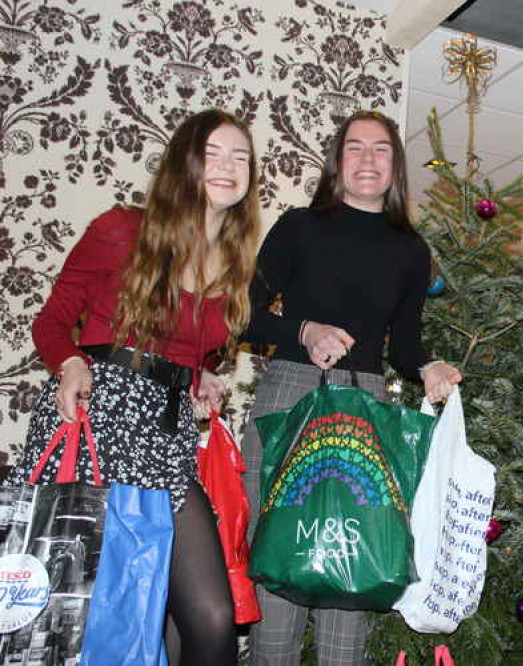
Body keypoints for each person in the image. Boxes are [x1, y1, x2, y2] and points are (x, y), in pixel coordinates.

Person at [9, 108, 262, 664]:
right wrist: (70, 363)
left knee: (213, 618)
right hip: (95, 419)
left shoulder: (236, 269)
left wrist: (201, 380)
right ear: (184, 166)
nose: (228, 166)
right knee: (74, 615)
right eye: (213, 154)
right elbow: (52, 321)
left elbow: (185, 353)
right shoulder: (121, 229)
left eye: (240, 157)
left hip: (166, 438)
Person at [242, 109, 462, 665]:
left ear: (396, 165)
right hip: (291, 394)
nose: (368, 159)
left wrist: (428, 368)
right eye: (356, 148)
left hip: (369, 404)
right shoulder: (299, 226)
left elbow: (405, 345)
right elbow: (239, 316)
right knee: (279, 567)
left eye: (381, 149)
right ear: (338, 163)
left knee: (354, 564)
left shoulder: (410, 250)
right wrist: (303, 329)